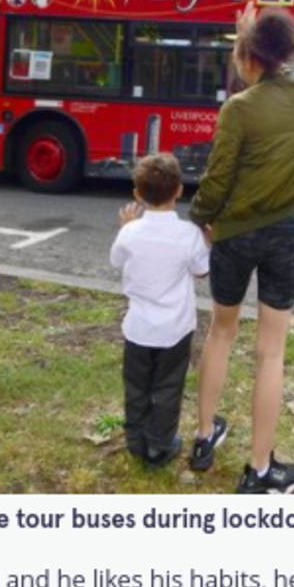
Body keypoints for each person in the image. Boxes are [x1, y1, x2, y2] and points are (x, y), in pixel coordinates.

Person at [187, 4, 294, 494]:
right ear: (290, 50)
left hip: (234, 234)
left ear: (247, 54)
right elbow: (282, 66)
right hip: (286, 231)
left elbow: (218, 179)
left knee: (221, 333)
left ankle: (204, 437)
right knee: (271, 353)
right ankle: (260, 471)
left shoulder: (237, 108)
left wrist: (201, 218)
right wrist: (256, 35)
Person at [109, 153, 210, 467]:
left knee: (136, 387)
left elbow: (117, 261)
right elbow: (201, 271)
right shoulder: (189, 234)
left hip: (137, 328)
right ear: (179, 190)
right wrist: (208, 241)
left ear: (137, 194)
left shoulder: (130, 232)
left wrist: (127, 227)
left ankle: (136, 440)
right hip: (175, 329)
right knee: (167, 389)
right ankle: (160, 446)